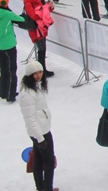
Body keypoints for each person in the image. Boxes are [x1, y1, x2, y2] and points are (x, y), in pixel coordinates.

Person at [19, 60, 57, 191]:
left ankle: (41, 188)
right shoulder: (28, 94)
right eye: (35, 73)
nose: (38, 75)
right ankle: (47, 188)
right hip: (40, 132)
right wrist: (40, 139)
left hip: (41, 129)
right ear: (29, 75)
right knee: (48, 161)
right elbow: (30, 118)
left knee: (39, 160)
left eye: (40, 72)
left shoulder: (35, 87)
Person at [24, 0, 54, 77]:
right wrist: (43, 11)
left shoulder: (38, 1)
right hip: (35, 30)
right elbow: (34, 16)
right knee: (41, 50)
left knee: (42, 50)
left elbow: (45, 11)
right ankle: (41, 70)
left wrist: (49, 7)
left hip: (41, 28)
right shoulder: (28, 3)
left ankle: (42, 69)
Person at [0, 0, 25, 102]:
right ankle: (11, 95)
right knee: (12, 70)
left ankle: (3, 92)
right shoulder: (8, 14)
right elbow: (21, 19)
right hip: (9, 45)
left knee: (3, 69)